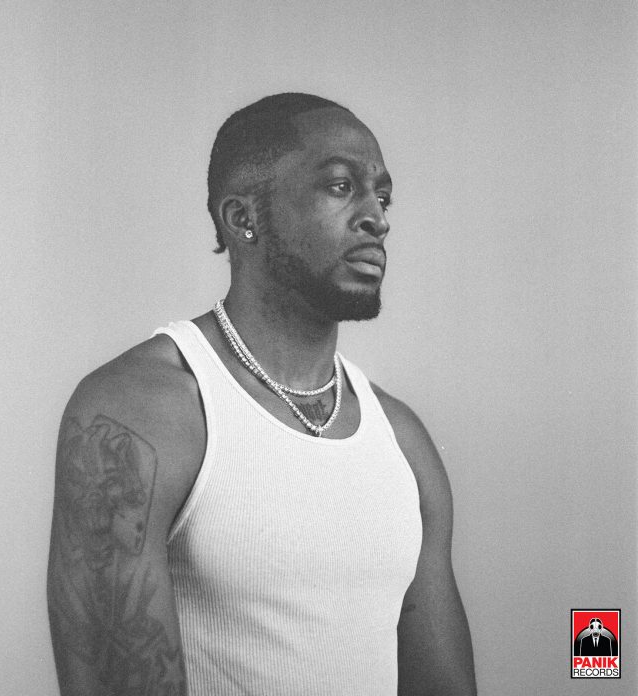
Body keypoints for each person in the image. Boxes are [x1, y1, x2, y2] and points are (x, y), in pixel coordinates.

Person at [47, 92, 477, 696]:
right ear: (242, 217)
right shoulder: (142, 411)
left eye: (381, 197)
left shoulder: (401, 438)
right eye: (340, 186)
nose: (377, 219)